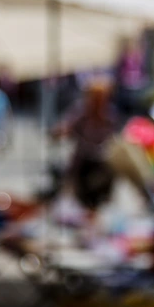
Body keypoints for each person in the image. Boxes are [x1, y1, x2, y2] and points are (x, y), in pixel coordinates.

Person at [51, 77, 119, 209]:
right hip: (83, 157)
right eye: (95, 98)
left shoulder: (110, 115)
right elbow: (66, 127)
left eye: (101, 97)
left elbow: (114, 137)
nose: (98, 102)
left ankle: (106, 199)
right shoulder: (81, 112)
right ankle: (69, 198)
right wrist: (59, 131)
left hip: (102, 158)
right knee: (73, 169)